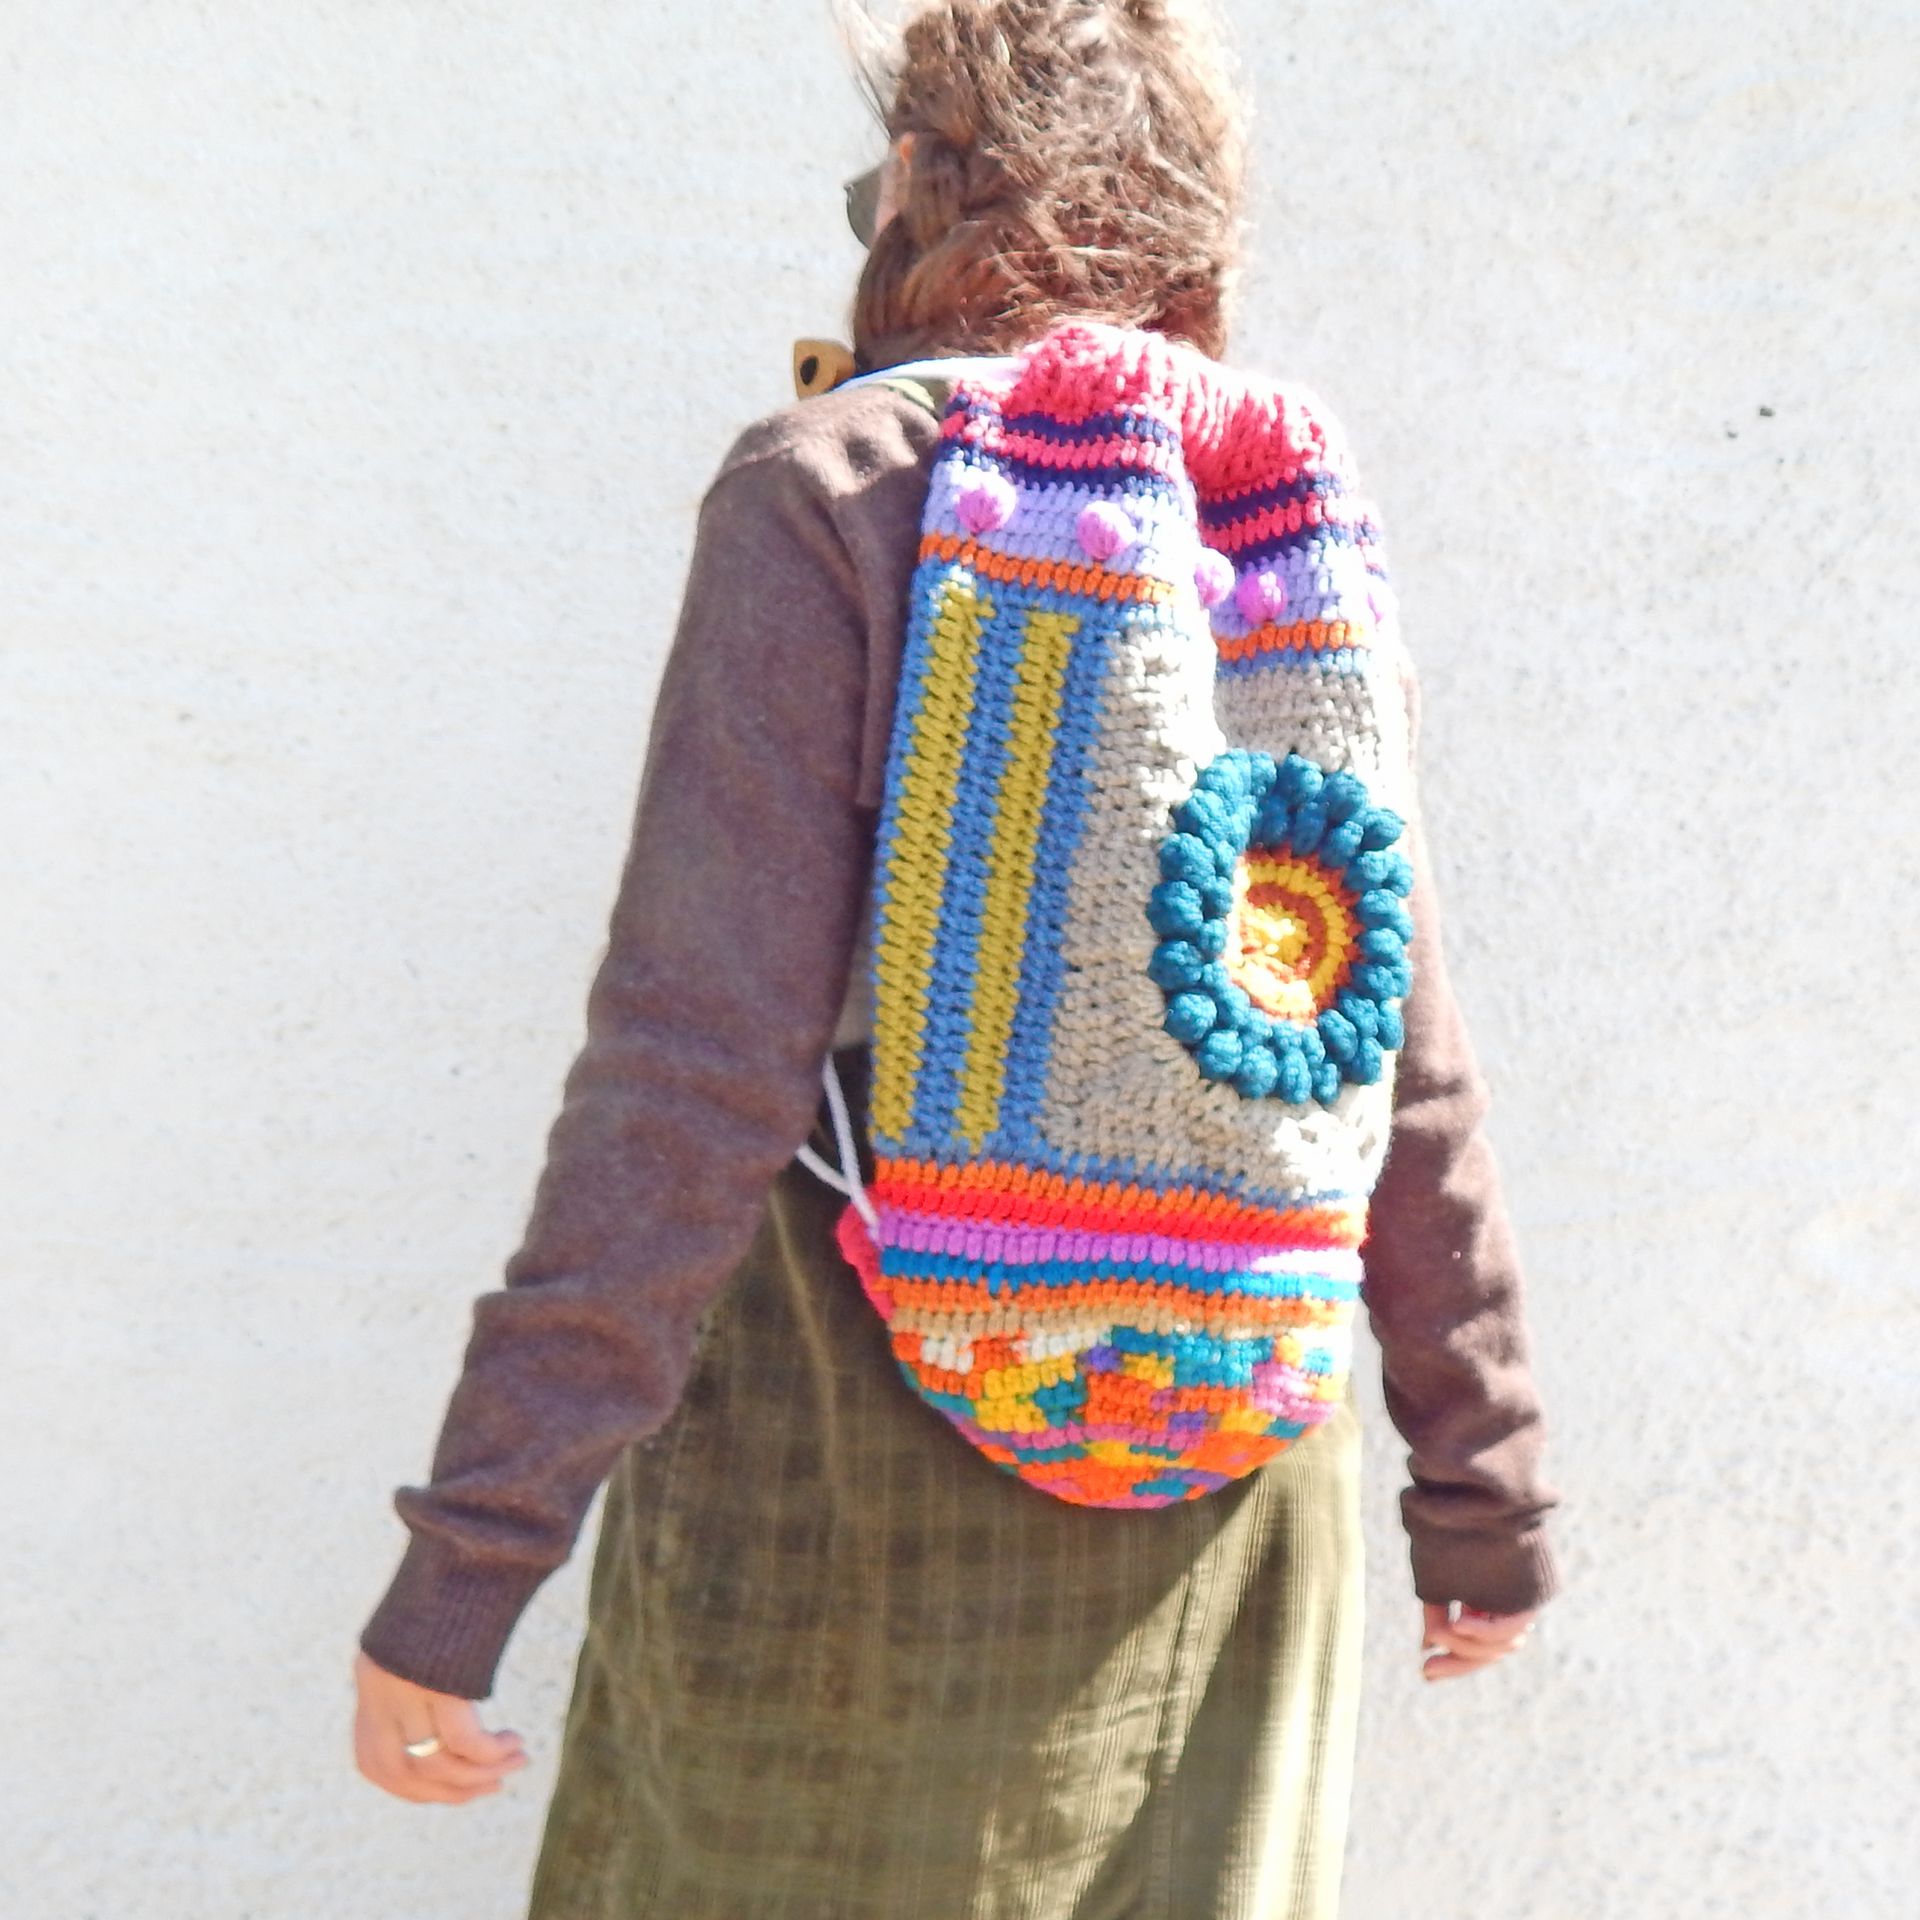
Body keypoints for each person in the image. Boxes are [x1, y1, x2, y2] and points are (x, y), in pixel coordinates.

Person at [350, 4, 1561, 1915]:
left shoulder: (832, 485)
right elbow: (1374, 1022)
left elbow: (696, 1066)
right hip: (1235, 1475)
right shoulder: (1272, 517)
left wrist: (470, 1556)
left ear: (925, 185)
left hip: (858, 1481)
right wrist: (1481, 1485)